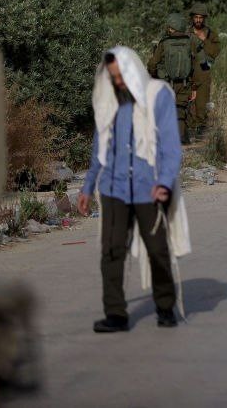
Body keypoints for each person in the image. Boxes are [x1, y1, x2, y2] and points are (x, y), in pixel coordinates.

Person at [78, 48, 189, 333]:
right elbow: (100, 147)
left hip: (148, 188)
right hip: (113, 188)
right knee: (111, 252)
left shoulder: (157, 95)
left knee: (157, 250)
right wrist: (88, 186)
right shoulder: (109, 101)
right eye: (113, 78)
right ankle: (115, 314)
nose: (118, 83)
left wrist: (164, 182)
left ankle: (165, 307)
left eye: (121, 76)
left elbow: (170, 146)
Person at [147, 14, 199, 144]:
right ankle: (181, 138)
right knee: (180, 110)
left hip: (165, 83)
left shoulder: (164, 43)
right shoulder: (190, 42)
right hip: (185, 83)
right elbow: (195, 67)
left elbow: (152, 64)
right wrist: (194, 87)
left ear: (171, 28)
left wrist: (154, 76)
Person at [188, 3, 220, 137]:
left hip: (204, 71)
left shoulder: (210, 34)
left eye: (201, 17)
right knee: (189, 103)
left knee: (202, 103)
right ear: (192, 17)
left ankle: (200, 129)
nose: (198, 20)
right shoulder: (186, 33)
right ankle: (189, 130)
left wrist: (204, 40)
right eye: (196, 17)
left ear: (204, 18)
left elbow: (215, 51)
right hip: (188, 72)